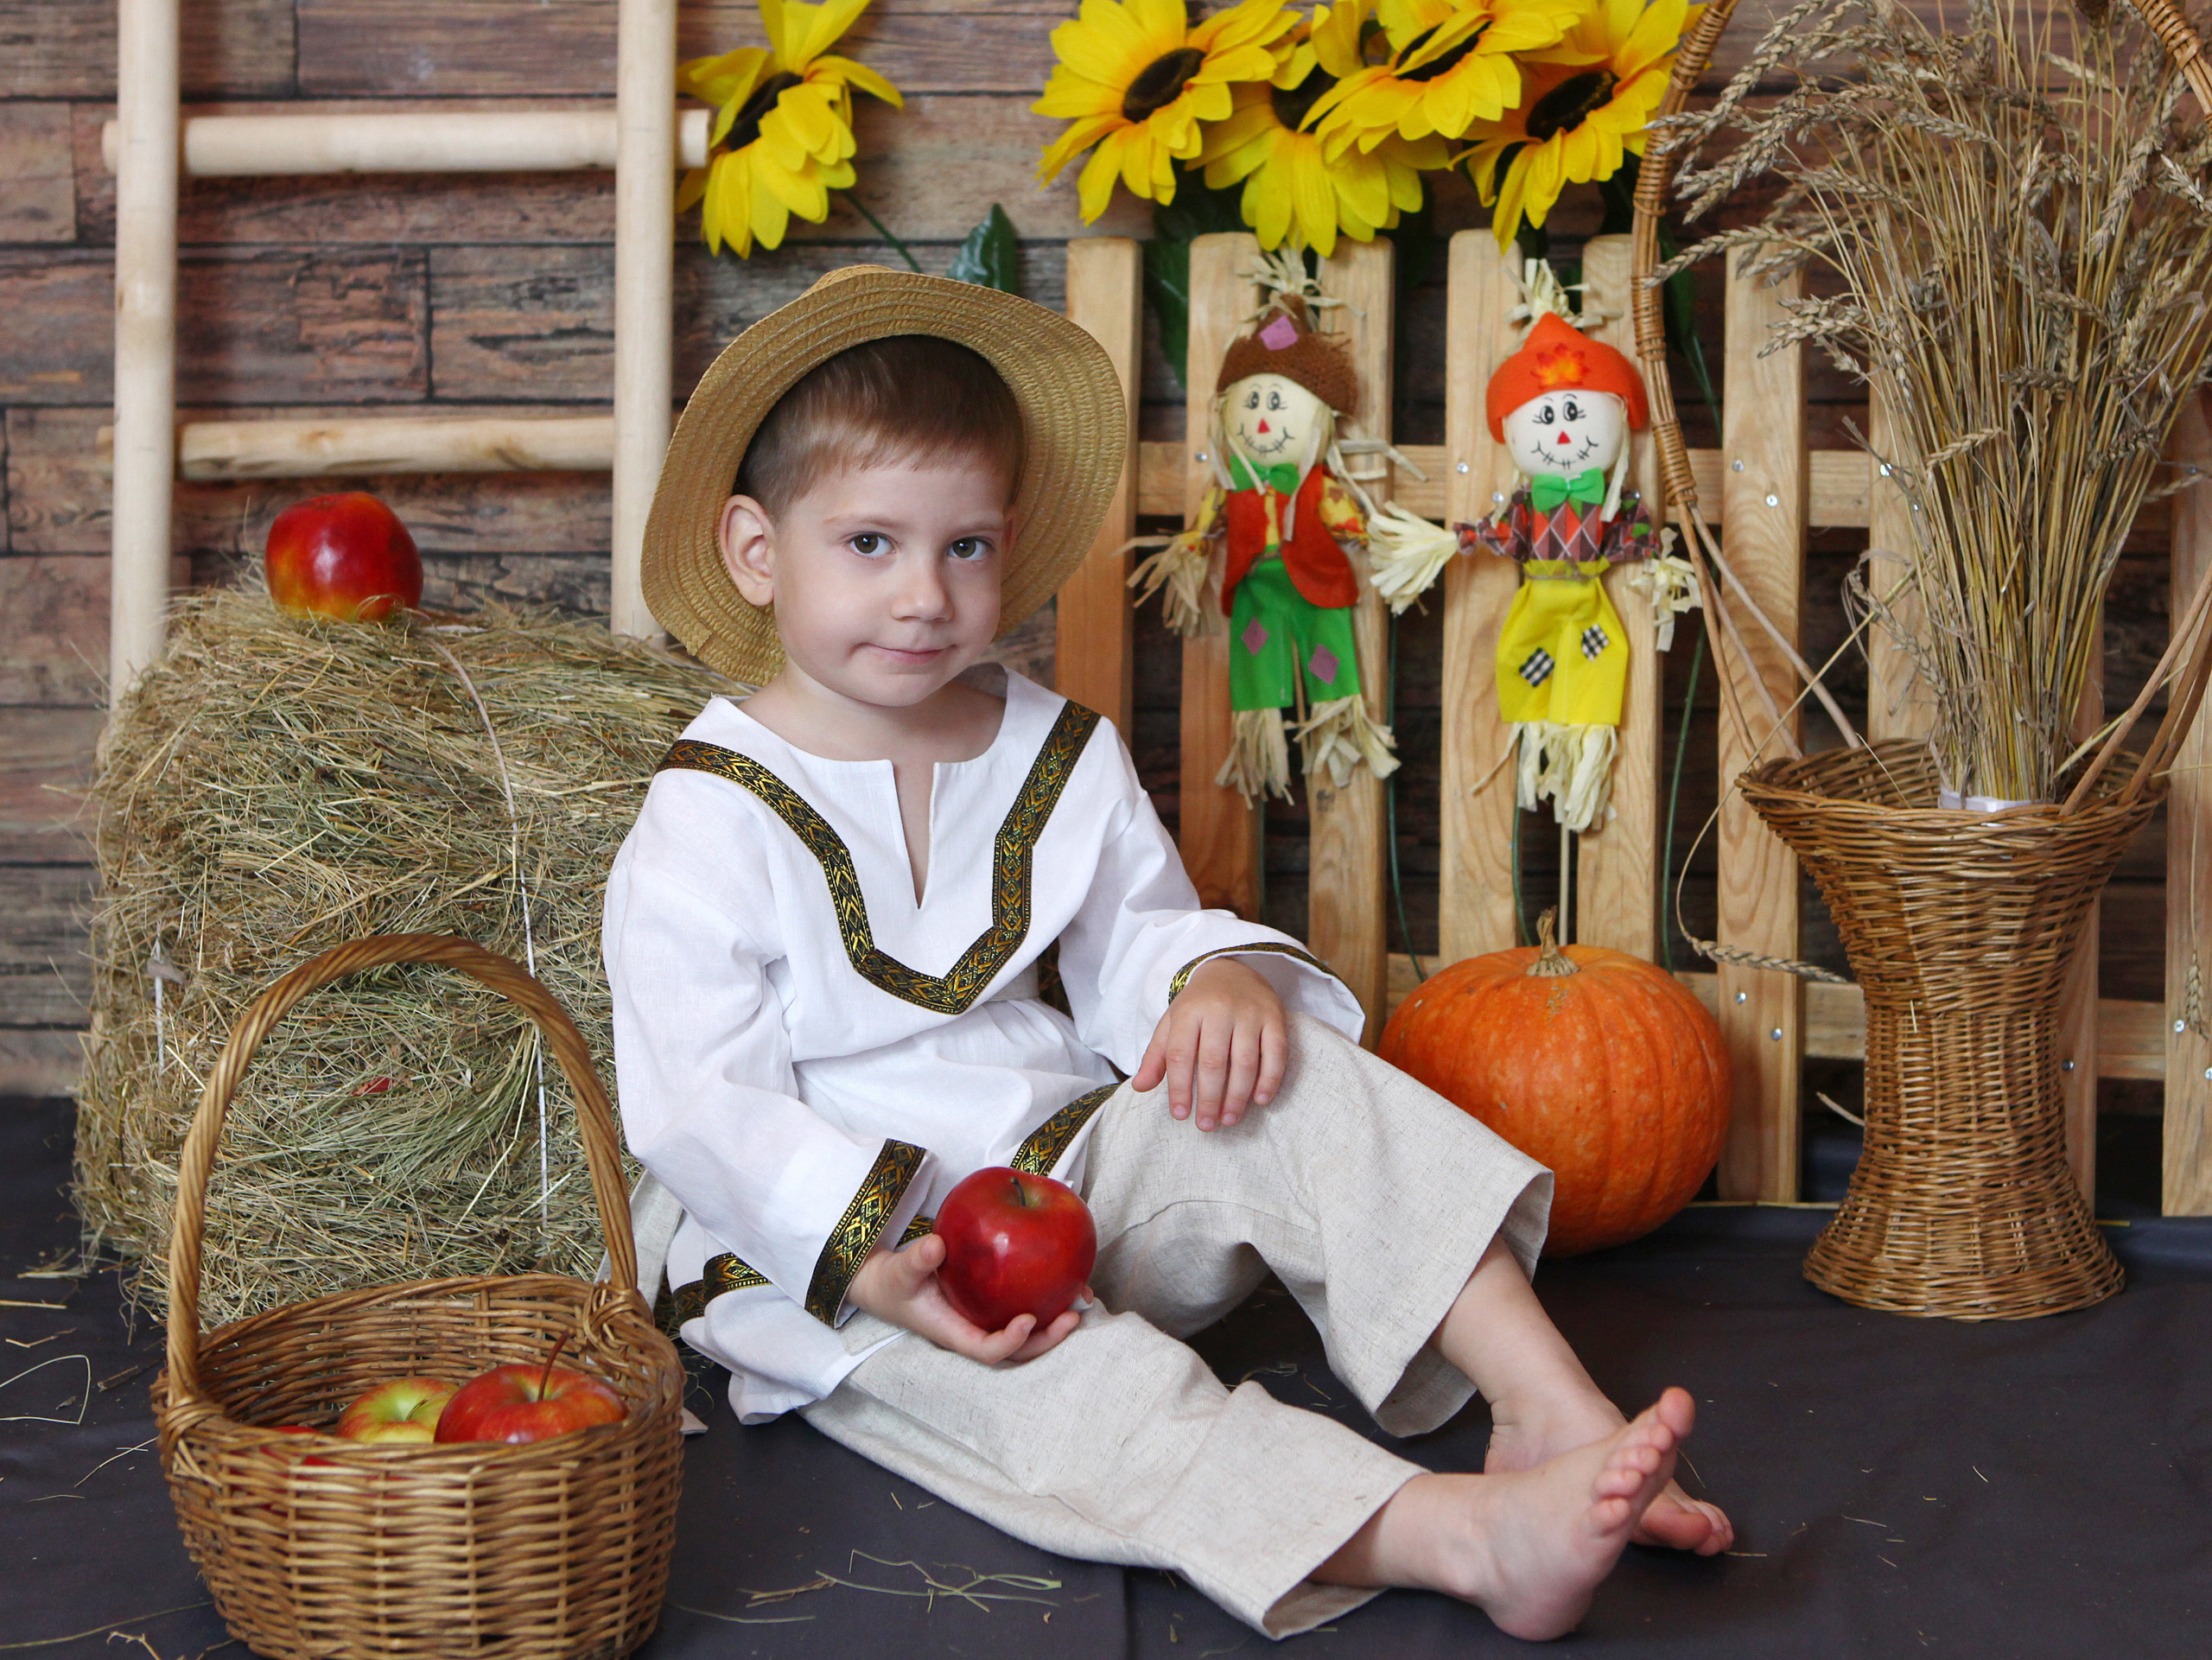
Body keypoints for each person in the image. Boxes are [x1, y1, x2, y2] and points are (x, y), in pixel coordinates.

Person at [603, 266, 1732, 1643]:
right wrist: (870, 1248)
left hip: (1064, 1165)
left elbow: (1138, 934)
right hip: (848, 1256)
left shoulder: (1046, 744)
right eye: (870, 544)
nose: (924, 596)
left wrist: (1211, 979)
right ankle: (1459, 1536)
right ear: (755, 550)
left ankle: (1546, 1396)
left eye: (965, 548)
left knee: (1290, 1078)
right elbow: (692, 1096)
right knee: (1086, 1405)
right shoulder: (708, 808)